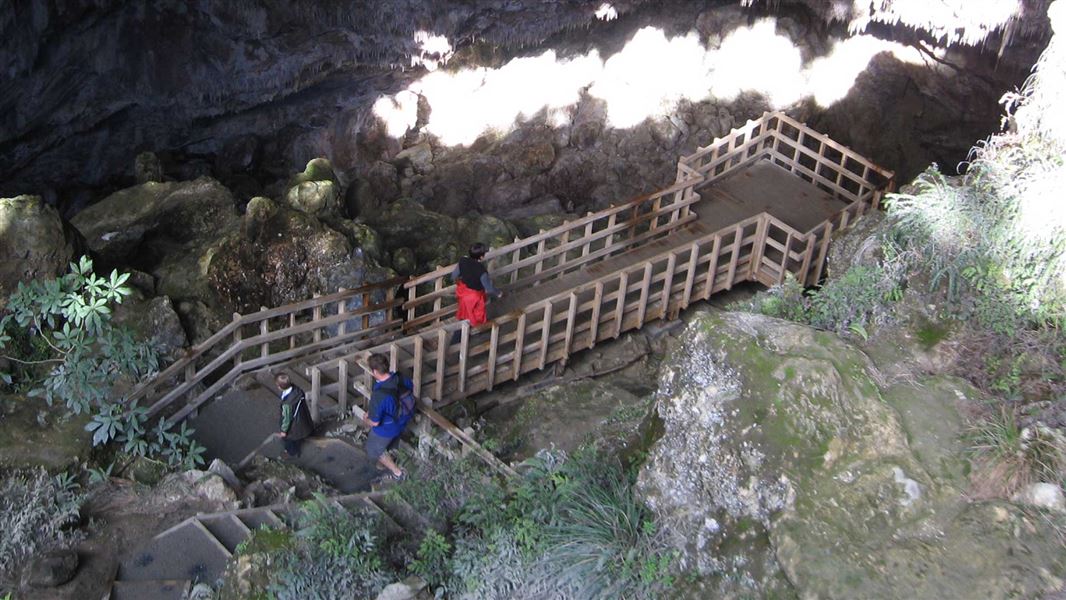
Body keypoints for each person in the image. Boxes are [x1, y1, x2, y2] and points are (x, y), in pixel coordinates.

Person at [363, 353, 412, 480]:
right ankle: (390, 456)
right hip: (405, 416)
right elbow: (410, 388)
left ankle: (398, 473)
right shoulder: (400, 377)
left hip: (389, 427)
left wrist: (366, 418)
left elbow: (375, 423)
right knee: (391, 442)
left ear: (374, 371)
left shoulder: (379, 395)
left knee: (374, 449)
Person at [450, 242, 503, 344]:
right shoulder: (481, 271)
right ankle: (457, 342)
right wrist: (499, 293)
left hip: (463, 293)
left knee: (465, 315)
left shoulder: (463, 260)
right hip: (474, 297)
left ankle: (459, 338)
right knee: (473, 317)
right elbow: (489, 289)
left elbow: (453, 276)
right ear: (482, 257)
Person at [275, 373, 313, 458]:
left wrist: (284, 431)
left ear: (279, 387)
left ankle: (291, 453)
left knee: (290, 440)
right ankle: (299, 442)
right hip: (302, 420)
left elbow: (287, 419)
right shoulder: (297, 391)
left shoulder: (287, 403)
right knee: (299, 436)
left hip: (294, 427)